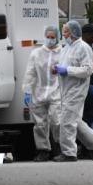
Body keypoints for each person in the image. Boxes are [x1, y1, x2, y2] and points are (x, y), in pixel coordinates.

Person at [51, 20, 93, 162]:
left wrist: (67, 70)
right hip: (66, 90)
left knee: (67, 121)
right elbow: (63, 65)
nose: (63, 34)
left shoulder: (83, 48)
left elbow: (87, 70)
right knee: (75, 122)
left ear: (72, 32)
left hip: (77, 90)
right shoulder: (66, 48)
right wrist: (56, 68)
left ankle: (69, 153)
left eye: (65, 31)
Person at [22, 25, 62, 162]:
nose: (50, 40)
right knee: (39, 124)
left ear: (58, 37)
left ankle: (60, 148)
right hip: (38, 92)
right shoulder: (36, 53)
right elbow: (30, 73)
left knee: (57, 121)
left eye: (53, 37)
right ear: (44, 37)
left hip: (57, 92)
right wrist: (27, 90)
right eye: (48, 37)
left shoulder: (62, 53)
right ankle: (43, 150)